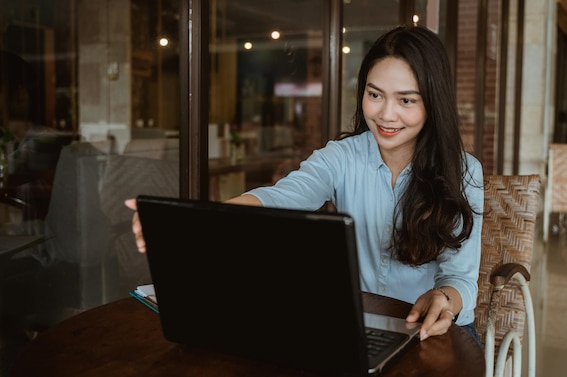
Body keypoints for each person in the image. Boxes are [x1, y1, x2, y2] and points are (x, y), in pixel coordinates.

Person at [125, 24, 483, 344]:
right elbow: (281, 197)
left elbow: (460, 278)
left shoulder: (464, 173)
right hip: (357, 326)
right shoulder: (341, 157)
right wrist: (195, 220)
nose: (386, 114)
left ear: (432, 104)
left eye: (406, 100)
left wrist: (444, 300)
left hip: (428, 332)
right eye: (375, 95)